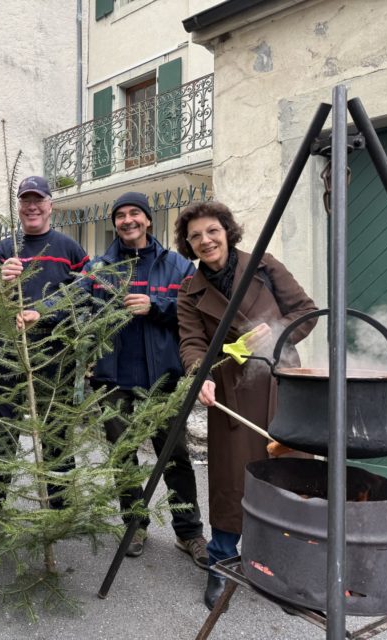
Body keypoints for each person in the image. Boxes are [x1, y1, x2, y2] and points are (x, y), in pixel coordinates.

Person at [174, 201, 317, 609]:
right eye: (196, 236)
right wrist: (199, 373)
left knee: (289, 479)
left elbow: (306, 311)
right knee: (230, 482)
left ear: (227, 231)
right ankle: (221, 563)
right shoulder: (190, 291)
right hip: (231, 395)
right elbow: (191, 342)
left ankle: (288, 572)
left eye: (212, 231)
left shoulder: (264, 265)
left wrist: (275, 334)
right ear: (189, 244)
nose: (205, 240)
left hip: (283, 387)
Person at [86, 192, 208, 568]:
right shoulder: (100, 268)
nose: (127, 220)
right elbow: (82, 311)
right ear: (115, 223)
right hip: (114, 377)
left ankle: (189, 534)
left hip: (163, 378)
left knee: (174, 457)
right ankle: (134, 525)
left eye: (134, 213)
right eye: (120, 215)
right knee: (122, 456)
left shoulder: (178, 266)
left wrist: (155, 307)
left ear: (148, 220)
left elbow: (194, 316)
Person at [0, 175, 89, 535]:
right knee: (2, 427)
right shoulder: (4, 250)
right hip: (10, 354)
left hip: (56, 353)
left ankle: (59, 504)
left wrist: (45, 310)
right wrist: (4, 283)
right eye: (26, 201)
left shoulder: (70, 249)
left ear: (51, 205)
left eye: (39, 200)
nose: (32, 207)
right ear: (19, 207)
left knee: (55, 429)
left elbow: (84, 293)